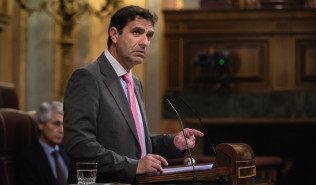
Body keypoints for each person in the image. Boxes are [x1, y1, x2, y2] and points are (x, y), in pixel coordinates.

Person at [63, 5, 204, 184]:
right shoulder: (88, 78)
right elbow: (79, 144)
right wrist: (132, 166)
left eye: (149, 35)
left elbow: (136, 144)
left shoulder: (135, 83)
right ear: (114, 34)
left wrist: (173, 142)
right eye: (137, 32)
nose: (145, 42)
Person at [15, 101, 69, 185]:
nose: (62, 130)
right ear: (40, 124)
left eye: (64, 124)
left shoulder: (68, 151)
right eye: (56, 124)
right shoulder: (27, 157)